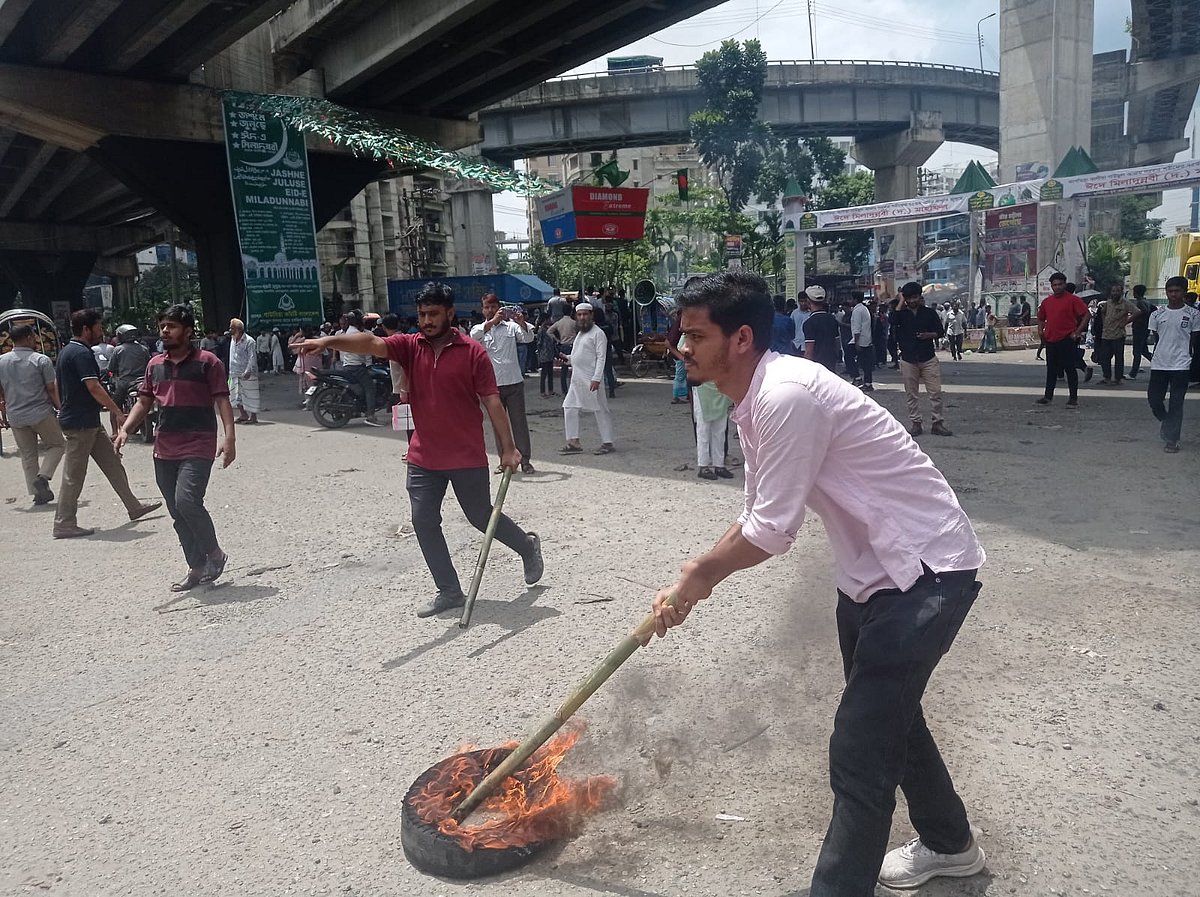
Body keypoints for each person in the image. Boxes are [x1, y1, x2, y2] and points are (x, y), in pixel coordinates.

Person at [647, 270, 986, 896]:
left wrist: (699, 575)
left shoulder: (786, 394)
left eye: (695, 335)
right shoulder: (753, 396)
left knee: (861, 747)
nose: (681, 347)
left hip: (925, 571)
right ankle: (950, 846)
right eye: (681, 333)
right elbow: (758, 512)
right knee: (892, 719)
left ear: (742, 337)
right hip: (870, 577)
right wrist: (695, 579)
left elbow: (773, 531)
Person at [294, 282, 544, 618]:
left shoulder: (473, 352)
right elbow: (371, 343)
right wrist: (328, 341)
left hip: (464, 453)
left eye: (433, 314)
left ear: (449, 314)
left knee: (480, 515)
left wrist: (508, 449)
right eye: (422, 314)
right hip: (424, 456)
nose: (426, 320)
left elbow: (493, 402)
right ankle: (449, 590)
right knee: (423, 520)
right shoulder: (410, 347)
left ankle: (526, 546)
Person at [116, 304, 235, 591]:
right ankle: (195, 567)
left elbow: (221, 400)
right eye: (162, 327)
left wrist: (229, 437)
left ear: (188, 331)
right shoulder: (154, 364)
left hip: (198, 443)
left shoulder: (208, 362)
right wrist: (125, 429)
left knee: (187, 501)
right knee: (176, 512)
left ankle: (215, 554)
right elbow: (144, 401)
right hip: (164, 446)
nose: (165, 331)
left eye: (171, 326)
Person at [52, 309, 161, 538]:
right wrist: (117, 411)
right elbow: (93, 386)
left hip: (88, 421)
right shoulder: (80, 353)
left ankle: (133, 506)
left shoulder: (68, 351)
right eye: (99, 327)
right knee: (74, 474)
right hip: (80, 424)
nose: (102, 332)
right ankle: (64, 522)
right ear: (86, 329)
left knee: (112, 463)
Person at [0, 323, 65, 505]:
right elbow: (51, 388)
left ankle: (37, 493)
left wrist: (3, 410)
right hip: (40, 412)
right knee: (58, 445)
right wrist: (61, 408)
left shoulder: (1, 361)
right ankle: (43, 477)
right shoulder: (40, 360)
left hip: (16, 416)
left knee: (28, 454)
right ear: (29, 337)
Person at [471, 293, 535, 474]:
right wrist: (491, 323)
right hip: (492, 387)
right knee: (499, 424)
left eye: (493, 307)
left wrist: (522, 322)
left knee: (519, 423)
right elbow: (473, 337)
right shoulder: (480, 328)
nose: (490, 310)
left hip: (514, 382)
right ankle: (504, 460)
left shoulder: (511, 327)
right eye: (487, 307)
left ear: (500, 307)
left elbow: (528, 338)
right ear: (483, 309)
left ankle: (525, 460)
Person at [1146, 275, 1200, 453]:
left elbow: (1194, 339)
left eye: (1177, 291)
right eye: (1170, 291)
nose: (1173, 294)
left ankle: (1172, 439)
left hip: (1181, 364)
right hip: (1160, 363)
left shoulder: (1193, 314)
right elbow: (1156, 338)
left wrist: (1192, 360)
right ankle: (1167, 422)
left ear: (1184, 292)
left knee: (1177, 403)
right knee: (1154, 400)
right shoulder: (1157, 314)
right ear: (1166, 293)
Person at [893, 281, 952, 437]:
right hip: (908, 359)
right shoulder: (901, 314)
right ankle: (915, 424)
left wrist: (928, 335)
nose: (912, 301)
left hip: (928, 358)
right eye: (908, 298)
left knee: (935, 392)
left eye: (915, 297)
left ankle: (937, 423)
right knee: (911, 394)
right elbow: (892, 322)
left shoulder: (929, 313)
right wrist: (900, 301)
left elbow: (940, 332)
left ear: (920, 296)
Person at [559, 302, 615, 455]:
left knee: (600, 409)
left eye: (585, 314)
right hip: (577, 379)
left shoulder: (598, 333)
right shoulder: (581, 333)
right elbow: (579, 355)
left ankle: (607, 442)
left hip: (591, 379)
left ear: (591, 315)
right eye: (579, 315)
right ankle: (573, 441)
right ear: (576, 316)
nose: (582, 317)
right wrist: (568, 359)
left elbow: (601, 358)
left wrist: (597, 378)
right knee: (569, 407)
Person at [1035, 273, 1090, 408]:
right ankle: (1048, 397)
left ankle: (1073, 398)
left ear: (1064, 284)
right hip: (1051, 340)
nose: (1057, 287)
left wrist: (1077, 332)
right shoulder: (1047, 302)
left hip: (1066, 339)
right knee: (1051, 369)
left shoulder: (1073, 300)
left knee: (1069, 369)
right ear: (1051, 286)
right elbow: (1041, 317)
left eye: (1060, 284)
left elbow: (1087, 314)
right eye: (1054, 285)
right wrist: (1040, 330)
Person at [338, 310, 381, 426]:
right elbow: (367, 351)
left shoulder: (350, 332)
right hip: (356, 366)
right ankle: (371, 416)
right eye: (362, 319)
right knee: (370, 388)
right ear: (357, 321)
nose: (364, 321)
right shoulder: (357, 334)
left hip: (349, 365)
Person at [693, 379, 734, 481]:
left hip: (720, 387)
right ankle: (703, 466)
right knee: (703, 430)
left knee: (720, 430)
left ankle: (719, 465)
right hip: (703, 387)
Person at [1095, 283, 1136, 385]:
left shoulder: (1125, 303)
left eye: (1117, 291)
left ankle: (1117, 379)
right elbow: (1102, 312)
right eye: (1113, 291)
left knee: (1118, 358)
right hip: (1106, 334)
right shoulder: (1108, 303)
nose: (1115, 293)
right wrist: (1104, 322)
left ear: (1121, 292)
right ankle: (1107, 377)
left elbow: (1137, 312)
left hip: (1118, 334)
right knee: (1104, 357)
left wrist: (1126, 322)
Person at [226, 318, 260, 423]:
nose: (230, 330)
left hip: (248, 373)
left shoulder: (249, 341)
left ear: (238, 329)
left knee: (251, 395)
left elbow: (252, 357)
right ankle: (243, 414)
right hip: (234, 372)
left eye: (232, 328)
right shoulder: (232, 339)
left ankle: (253, 417)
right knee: (235, 395)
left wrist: (248, 370)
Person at [107, 325, 152, 400]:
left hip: (125, 382)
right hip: (142, 381)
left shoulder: (118, 349)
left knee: (116, 402)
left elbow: (111, 367)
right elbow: (149, 364)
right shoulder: (144, 349)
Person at [801, 286, 839, 372]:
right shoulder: (832, 319)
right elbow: (837, 343)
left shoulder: (809, 323)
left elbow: (809, 352)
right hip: (831, 364)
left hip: (816, 367)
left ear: (808, 300)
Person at [1128, 284, 1155, 379]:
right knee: (1144, 351)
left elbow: (1143, 311)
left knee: (1137, 351)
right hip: (1145, 328)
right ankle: (1157, 363)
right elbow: (1153, 310)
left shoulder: (1140, 302)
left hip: (1139, 328)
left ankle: (1133, 373)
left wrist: (1132, 317)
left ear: (1136, 292)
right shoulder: (1147, 301)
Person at [548, 307, 577, 395]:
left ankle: (564, 390)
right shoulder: (574, 323)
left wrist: (557, 340)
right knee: (576, 368)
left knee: (564, 370)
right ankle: (575, 389)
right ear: (571, 312)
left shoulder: (559, 323)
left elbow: (549, 331)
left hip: (563, 345)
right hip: (573, 346)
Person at [849, 291, 875, 392]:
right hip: (866, 338)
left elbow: (857, 327)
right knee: (866, 363)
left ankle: (857, 378)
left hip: (860, 340)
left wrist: (856, 342)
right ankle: (867, 382)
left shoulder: (857, 311)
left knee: (849, 356)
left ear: (855, 299)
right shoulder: (864, 309)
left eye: (851, 299)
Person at [666, 307, 688, 405]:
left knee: (683, 375)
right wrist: (680, 357)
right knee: (680, 375)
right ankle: (677, 396)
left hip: (682, 353)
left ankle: (684, 395)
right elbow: (668, 343)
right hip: (680, 354)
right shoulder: (680, 322)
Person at [536, 318, 558, 398]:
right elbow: (539, 343)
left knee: (550, 374)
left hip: (549, 354)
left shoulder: (548, 330)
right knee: (544, 374)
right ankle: (543, 391)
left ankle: (550, 390)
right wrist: (539, 353)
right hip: (544, 354)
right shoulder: (541, 331)